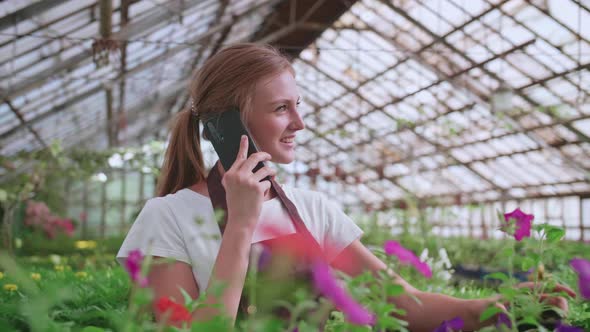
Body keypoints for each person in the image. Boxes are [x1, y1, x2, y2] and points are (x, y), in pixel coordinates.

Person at [117, 43, 573, 331]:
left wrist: (500, 305)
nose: (299, 123)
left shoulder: (314, 209)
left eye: (298, 105)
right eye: (281, 108)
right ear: (226, 124)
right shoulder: (167, 217)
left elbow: (407, 306)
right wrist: (239, 226)